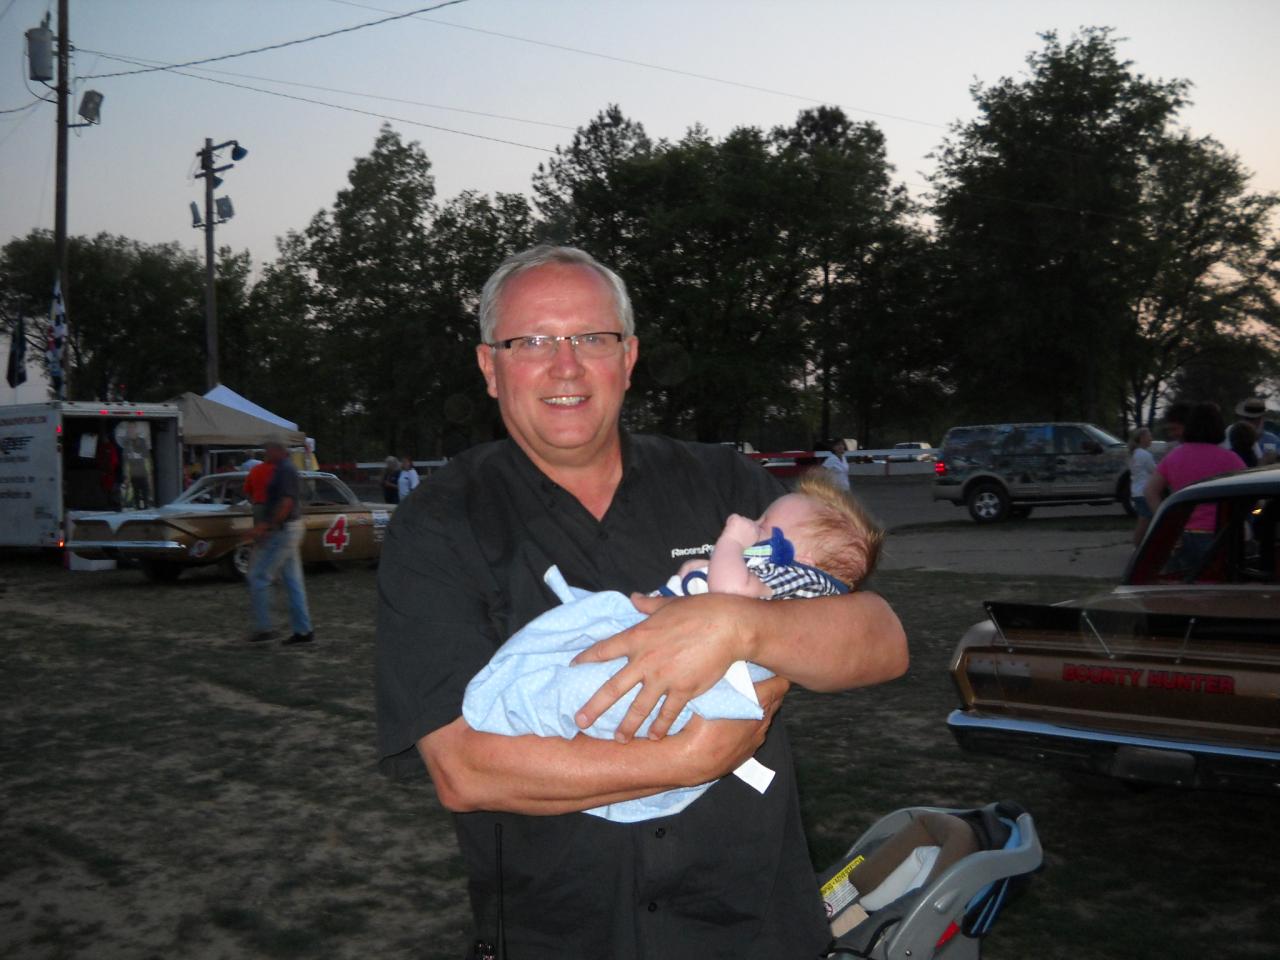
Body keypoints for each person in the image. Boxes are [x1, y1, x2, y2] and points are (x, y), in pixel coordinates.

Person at [375, 245, 908, 959]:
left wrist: (737, 625)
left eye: (592, 338)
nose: (566, 366)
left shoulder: (725, 486)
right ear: (490, 367)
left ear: (627, 358)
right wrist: (689, 760)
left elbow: (881, 640)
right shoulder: (440, 524)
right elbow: (461, 769)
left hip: (755, 929)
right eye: (531, 342)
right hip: (563, 935)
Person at [462, 469, 885, 823]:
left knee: (585, 694)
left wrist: (732, 541)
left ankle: (516, 708)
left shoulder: (782, 579)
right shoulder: (776, 573)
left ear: (801, 561)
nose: (751, 523)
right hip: (673, 674)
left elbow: (729, 592)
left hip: (691, 690)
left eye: (765, 525)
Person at [1145, 402, 1246, 574]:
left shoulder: (1174, 456)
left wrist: (1166, 522)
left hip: (1179, 535)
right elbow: (1248, 497)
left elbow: (1150, 492)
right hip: (1218, 535)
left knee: (1179, 584)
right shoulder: (1231, 460)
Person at [246, 437, 314, 646]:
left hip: (284, 530)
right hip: (289, 528)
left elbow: (286, 503)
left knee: (258, 576)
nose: (266, 453)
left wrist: (266, 526)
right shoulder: (283, 469)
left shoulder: (284, 470)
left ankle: (265, 628)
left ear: (278, 450)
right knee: (293, 581)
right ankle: (303, 630)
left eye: (268, 449)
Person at [1126, 427, 1157, 545]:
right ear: (1142, 438)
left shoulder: (1134, 454)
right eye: (1149, 436)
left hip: (1136, 492)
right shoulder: (1145, 454)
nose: (1151, 439)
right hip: (1144, 492)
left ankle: (1141, 544)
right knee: (1145, 520)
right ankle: (1138, 545)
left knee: (1145, 519)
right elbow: (1155, 471)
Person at [1231, 397, 1279, 465]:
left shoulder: (1273, 440)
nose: (1251, 423)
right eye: (1248, 418)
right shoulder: (1234, 438)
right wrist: (1264, 461)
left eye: (1256, 418)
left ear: (1262, 418)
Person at [242, 456, 276, 523]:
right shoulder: (278, 470)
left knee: (259, 527)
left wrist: (253, 503)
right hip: (275, 506)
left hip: (259, 506)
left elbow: (247, 491)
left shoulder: (254, 470)